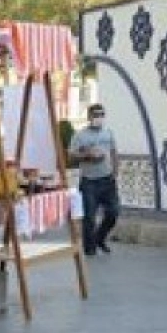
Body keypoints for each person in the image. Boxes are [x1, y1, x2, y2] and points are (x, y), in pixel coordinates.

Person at [70, 104, 120, 255]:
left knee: (113, 213)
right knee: (89, 217)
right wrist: (87, 155)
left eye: (102, 115)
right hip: (89, 182)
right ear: (89, 117)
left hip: (107, 180)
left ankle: (100, 237)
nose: (99, 118)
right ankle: (89, 249)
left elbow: (114, 152)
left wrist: (115, 172)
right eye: (96, 115)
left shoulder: (109, 133)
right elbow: (71, 155)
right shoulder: (80, 136)